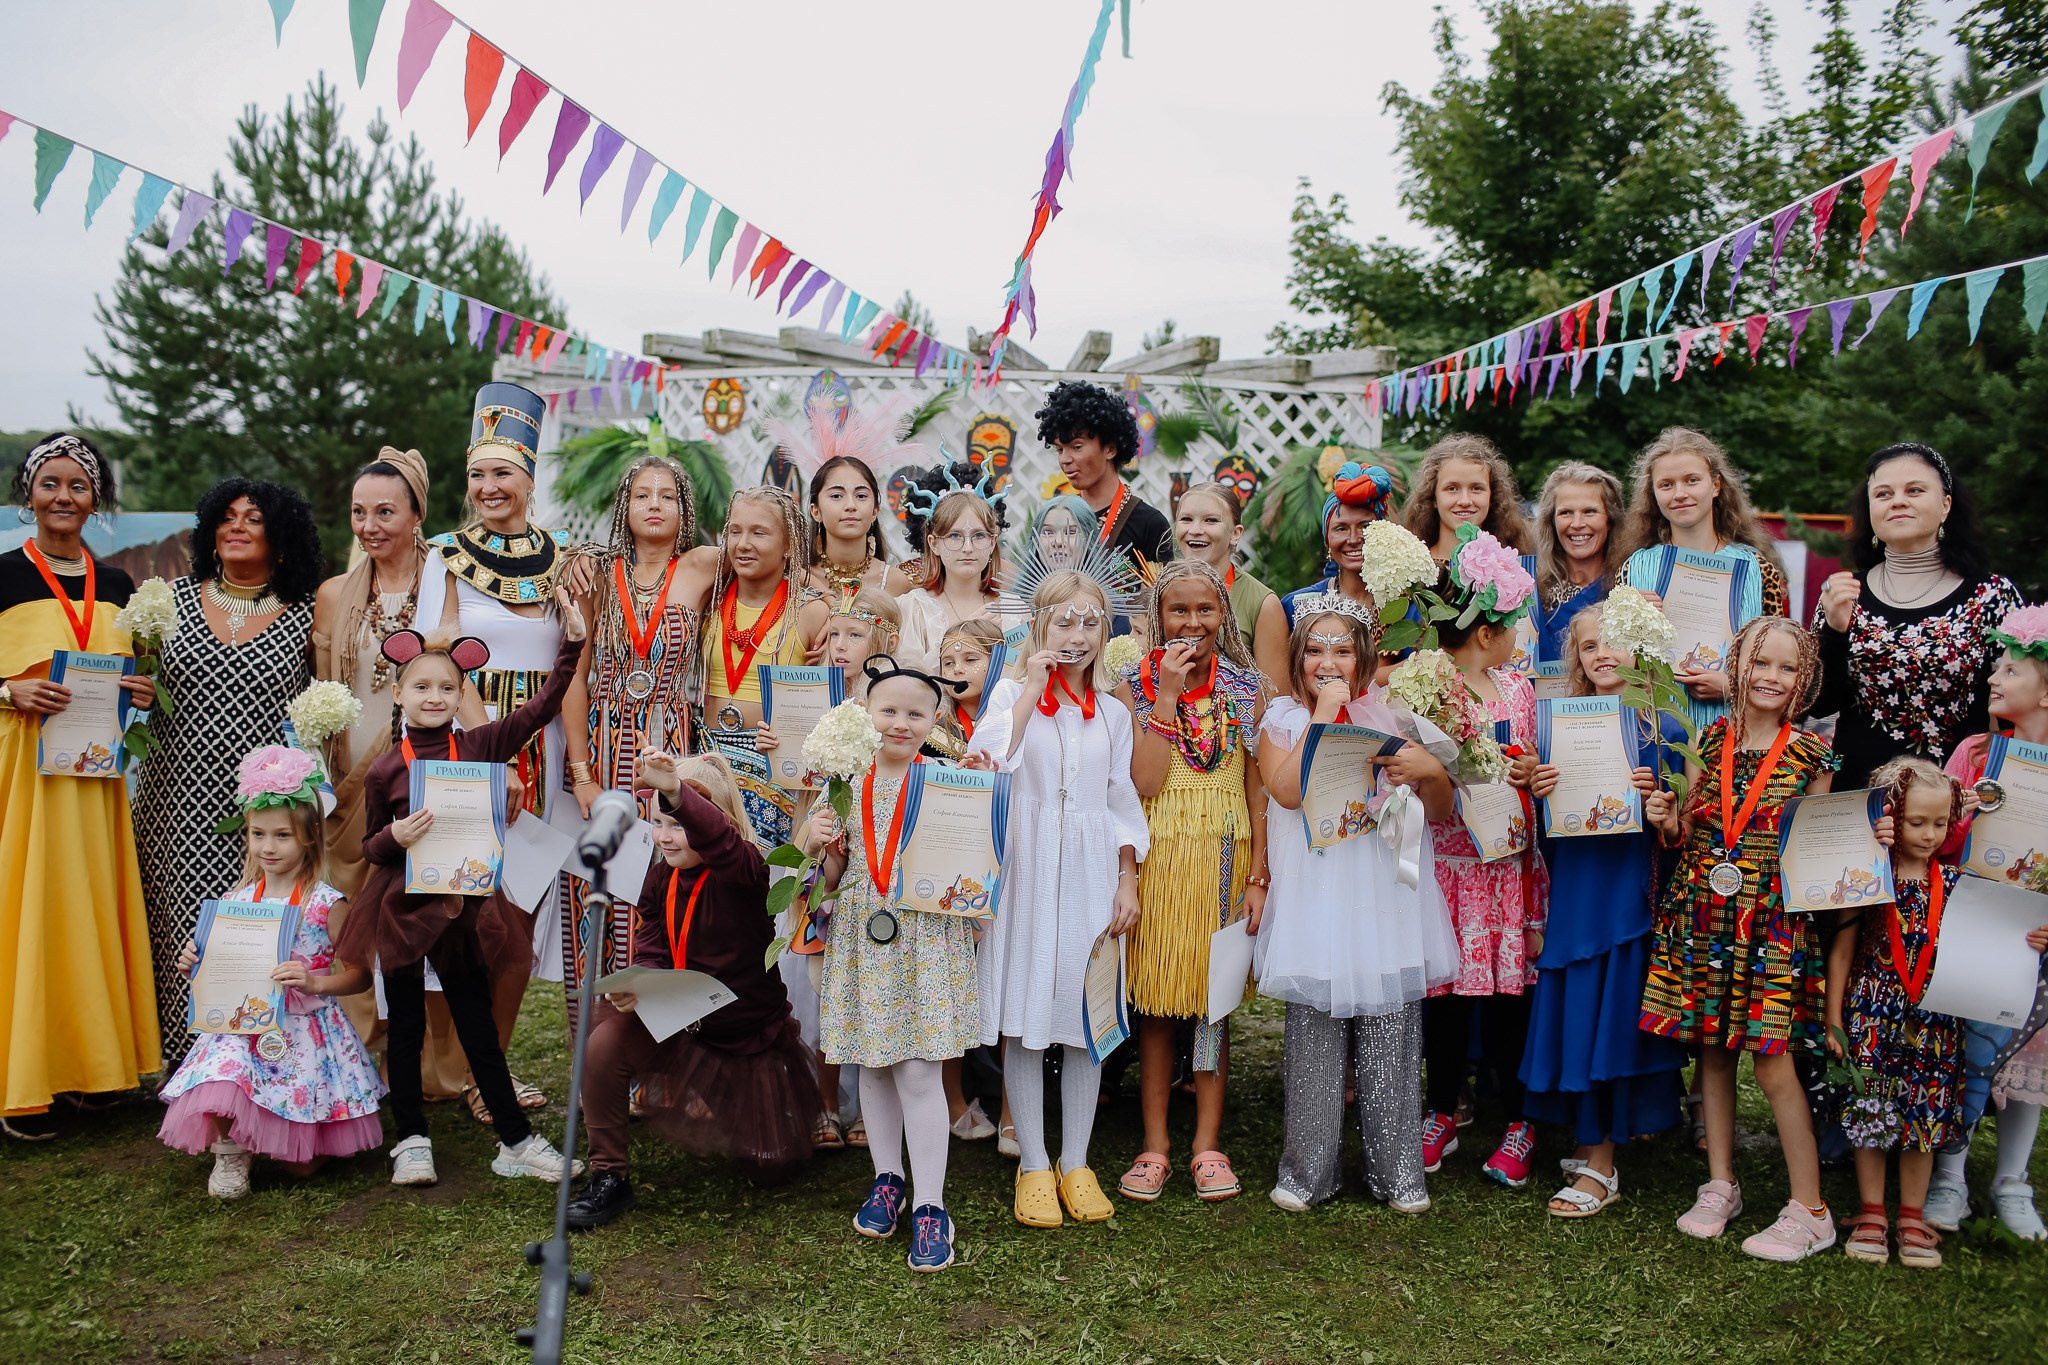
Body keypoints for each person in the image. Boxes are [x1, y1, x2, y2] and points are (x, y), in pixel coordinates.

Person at [333, 604, 588, 1188]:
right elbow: (370, 847)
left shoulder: (477, 747)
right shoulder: (382, 774)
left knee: (477, 1023)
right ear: (398, 693)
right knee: (405, 1026)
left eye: (447, 687)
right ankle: (412, 1139)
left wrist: (570, 647)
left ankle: (516, 1141)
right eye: (421, 686)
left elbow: (540, 709)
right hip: (400, 911)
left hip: (461, 910)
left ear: (460, 694)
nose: (434, 696)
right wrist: (392, 838)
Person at [1641, 616, 1839, 1261]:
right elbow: (1692, 832)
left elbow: (1823, 855)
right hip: (1704, 913)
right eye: (1760, 663)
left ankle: (1810, 1208)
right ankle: (1720, 1183)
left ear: (1804, 680)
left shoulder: (1813, 756)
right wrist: (1669, 819)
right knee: (1713, 1054)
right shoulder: (1714, 738)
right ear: (1736, 668)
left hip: (1772, 925)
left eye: (1787, 667)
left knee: (1774, 1063)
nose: (1771, 677)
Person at [1255, 593, 1457, 1213]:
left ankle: (1396, 1170)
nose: (1328, 661)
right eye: (1314, 649)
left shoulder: (1396, 717)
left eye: (1342, 649)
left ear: (1365, 656)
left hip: (1381, 888)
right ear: (1296, 659)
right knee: (1314, 1028)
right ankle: (1309, 1170)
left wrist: (1430, 772)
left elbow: (1444, 811)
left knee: (1391, 1028)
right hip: (1317, 891)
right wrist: (1324, 713)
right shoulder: (1282, 720)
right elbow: (1286, 791)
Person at [565, 752, 818, 1229]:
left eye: (677, 825)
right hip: (678, 1024)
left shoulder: (744, 870)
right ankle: (609, 1177)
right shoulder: (661, 876)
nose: (664, 836)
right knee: (603, 1043)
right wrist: (641, 983)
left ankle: (741, 1116)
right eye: (657, 823)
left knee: (771, 1167)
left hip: (741, 1034)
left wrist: (681, 796)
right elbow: (653, 942)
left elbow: (720, 842)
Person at [971, 572, 1148, 1228]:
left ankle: (1077, 1159)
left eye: (1090, 623)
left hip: (1090, 869)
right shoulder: (1012, 694)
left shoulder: (1114, 713)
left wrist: (1127, 876)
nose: (1077, 635)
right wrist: (1032, 693)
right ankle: (1035, 1162)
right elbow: (990, 760)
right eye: (1064, 622)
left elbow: (1120, 796)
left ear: (1105, 632)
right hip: (1028, 866)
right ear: (1040, 628)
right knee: (1026, 1013)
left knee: (1084, 1013)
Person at [1, 433, 160, 1135]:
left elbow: (124, 681)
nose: (63, 497)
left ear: (98, 501)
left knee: (87, 910)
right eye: (50, 483)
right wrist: (8, 690)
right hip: (22, 778)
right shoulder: (3, 575)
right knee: (26, 910)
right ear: (26, 494)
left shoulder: (120, 586)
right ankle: (24, 1079)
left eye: (79, 485)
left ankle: (93, 1068)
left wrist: (144, 693)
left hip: (94, 782)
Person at [134, 478, 321, 1071]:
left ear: (280, 536)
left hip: (264, 808)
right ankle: (187, 1066)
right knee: (179, 930)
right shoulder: (169, 602)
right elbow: (134, 682)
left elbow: (321, 701)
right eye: (228, 516)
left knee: (260, 930)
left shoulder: (305, 613)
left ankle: (259, 1063)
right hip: (176, 798)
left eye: (255, 519)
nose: (237, 526)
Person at [803, 657, 981, 1273]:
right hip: (862, 935)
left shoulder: (949, 780)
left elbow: (972, 868)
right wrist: (819, 845)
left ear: (935, 719)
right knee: (874, 1066)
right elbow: (829, 880)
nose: (900, 723)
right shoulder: (843, 783)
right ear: (865, 716)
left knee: (919, 1072)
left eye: (915, 713)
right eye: (888, 711)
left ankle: (931, 1205)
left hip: (926, 939)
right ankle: (887, 1179)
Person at [1518, 607, 1690, 1217]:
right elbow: (1542, 830)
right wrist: (1538, 794)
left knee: (1611, 1015)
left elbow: (1681, 831)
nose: (1601, 654)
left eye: (1614, 642)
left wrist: (1665, 814)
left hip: (1626, 895)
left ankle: (1601, 1161)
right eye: (1588, 646)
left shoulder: (1665, 726)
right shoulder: (1552, 728)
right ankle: (1587, 1142)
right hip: (1575, 891)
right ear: (1576, 659)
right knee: (1578, 1012)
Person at [157, 745, 384, 1197]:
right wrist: (195, 965)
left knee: (300, 1167)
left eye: (281, 835)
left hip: (305, 1028)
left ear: (308, 839)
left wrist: (316, 981)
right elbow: (217, 974)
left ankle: (287, 1139)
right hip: (245, 1025)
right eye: (258, 834)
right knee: (223, 1071)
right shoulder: (237, 902)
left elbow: (360, 974)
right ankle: (230, 1153)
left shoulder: (325, 903)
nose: (267, 846)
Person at [1113, 559, 1267, 1204]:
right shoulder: (1134, 686)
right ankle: (1156, 1145)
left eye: (1205, 610)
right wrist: (1169, 697)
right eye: (1179, 610)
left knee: (1213, 1002)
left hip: (1223, 855)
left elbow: (1257, 782)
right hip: (1160, 855)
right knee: (1154, 1003)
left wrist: (1260, 870)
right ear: (1159, 618)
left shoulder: (1246, 686)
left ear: (1223, 616)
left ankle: (1207, 1143)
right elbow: (1143, 782)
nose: (1193, 623)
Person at [560, 457, 719, 1028]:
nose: (655, 504)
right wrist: (581, 774)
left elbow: (781, 559)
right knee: (594, 892)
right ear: (624, 509)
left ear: (685, 510)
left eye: (669, 496)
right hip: (603, 746)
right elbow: (573, 676)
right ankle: (597, 1045)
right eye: (642, 495)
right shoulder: (595, 574)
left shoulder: (705, 566)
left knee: (665, 886)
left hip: (671, 747)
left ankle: (660, 1048)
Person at [1414, 531, 1549, 1189]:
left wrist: (1525, 767)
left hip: (1505, 868)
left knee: (1506, 998)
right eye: (1517, 626)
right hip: (1448, 860)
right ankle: (1441, 1107)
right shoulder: (1431, 684)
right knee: (1444, 999)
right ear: (1488, 632)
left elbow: (1528, 759)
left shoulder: (1518, 689)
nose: (1523, 638)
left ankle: (1520, 1120)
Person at [1927, 603, 2048, 1240]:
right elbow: (1938, 845)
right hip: (1973, 923)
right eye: (1995, 667)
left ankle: (2012, 1181)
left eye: (2010, 669)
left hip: (2039, 932)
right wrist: (1962, 816)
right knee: (1966, 1049)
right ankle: (1949, 1175)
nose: (1993, 678)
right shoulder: (1975, 753)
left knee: (2031, 1060)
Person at [1812, 441, 2025, 791]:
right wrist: (1835, 631)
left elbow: (2021, 709)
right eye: (1883, 494)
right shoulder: (1843, 593)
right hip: (1858, 804)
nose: (1897, 501)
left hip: (1954, 804)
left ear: (1945, 506)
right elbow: (1817, 706)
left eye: (1914, 490)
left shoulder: (1991, 596)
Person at [1827, 757, 1968, 1267]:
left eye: (1939, 823)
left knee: (1924, 1117)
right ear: (1888, 815)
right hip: (1870, 1015)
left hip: (1935, 1024)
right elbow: (1841, 950)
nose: (1929, 834)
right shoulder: (1867, 877)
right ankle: (1871, 1213)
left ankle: (1911, 1215)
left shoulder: (1956, 885)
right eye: (1916, 822)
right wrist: (1833, 1018)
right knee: (1872, 1112)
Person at [1617, 428, 1787, 729]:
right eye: (1666, 485)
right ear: (1653, 495)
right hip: (1657, 734)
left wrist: (1732, 686)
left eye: (1691, 480)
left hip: (1735, 734)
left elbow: (1783, 662)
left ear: (1716, 485)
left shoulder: (1756, 568)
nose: (1680, 493)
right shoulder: (1636, 568)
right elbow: (1612, 664)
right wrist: (1631, 626)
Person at [694, 486, 829, 850]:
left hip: (773, 770)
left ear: (789, 545)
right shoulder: (708, 597)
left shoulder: (813, 612)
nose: (742, 543)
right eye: (735, 531)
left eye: (759, 532)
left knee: (758, 891)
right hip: (706, 758)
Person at [894, 461, 1019, 674]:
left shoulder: (1013, 610)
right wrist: (962, 635)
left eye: (979, 536)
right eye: (954, 536)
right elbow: (908, 678)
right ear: (934, 543)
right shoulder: (914, 609)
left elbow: (1023, 674)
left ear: (993, 542)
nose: (967, 548)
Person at [1034, 380, 1173, 567]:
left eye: (1076, 447)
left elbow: (1163, 592)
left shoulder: (1149, 523)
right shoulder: (1055, 517)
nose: (1065, 459)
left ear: (1110, 450)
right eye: (1060, 449)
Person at [1174, 482, 1282, 666]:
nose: (1195, 530)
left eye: (1211, 520)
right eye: (1186, 519)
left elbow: (1274, 692)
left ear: (1235, 533)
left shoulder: (1261, 603)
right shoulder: (1160, 590)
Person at [1530, 463, 1625, 662]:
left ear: (1610, 518)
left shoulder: (1630, 586)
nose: (1577, 524)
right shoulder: (1534, 593)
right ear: (1551, 521)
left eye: (1590, 511)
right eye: (1566, 513)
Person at [1399, 434, 1534, 561]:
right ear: (1433, 497)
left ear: (1492, 496)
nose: (1465, 501)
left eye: (1476, 488)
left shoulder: (1513, 569)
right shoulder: (1413, 569)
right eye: (1452, 489)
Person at [806, 455, 921, 604]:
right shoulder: (799, 579)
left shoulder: (895, 582)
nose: (850, 505)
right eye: (836, 496)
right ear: (816, 511)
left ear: (875, 510)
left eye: (861, 496)